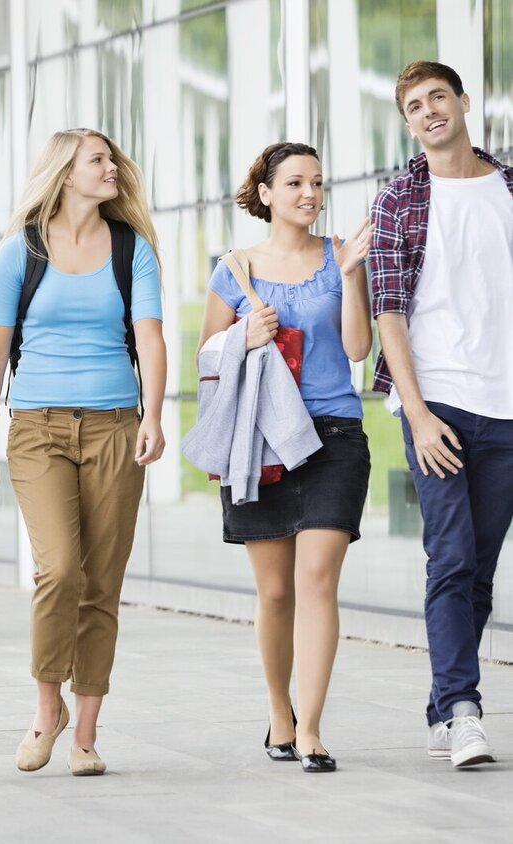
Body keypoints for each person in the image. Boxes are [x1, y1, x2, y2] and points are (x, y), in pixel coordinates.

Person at [0, 128, 167, 776]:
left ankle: (85, 735)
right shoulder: (20, 251)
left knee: (101, 583)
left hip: (114, 425)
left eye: (111, 159)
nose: (112, 167)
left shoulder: (131, 249)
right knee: (58, 570)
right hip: (37, 427)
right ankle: (46, 706)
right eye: (98, 160)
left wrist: (155, 414)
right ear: (65, 173)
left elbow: (152, 337)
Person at [196, 142, 372, 772]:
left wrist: (352, 276)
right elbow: (208, 359)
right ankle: (279, 711)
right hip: (260, 438)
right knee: (274, 593)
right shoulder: (234, 268)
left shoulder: (339, 258)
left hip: (333, 436)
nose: (310, 193)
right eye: (295, 182)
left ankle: (313, 729)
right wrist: (245, 334)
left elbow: (356, 350)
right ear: (265, 193)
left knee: (317, 579)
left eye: (318, 183)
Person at [370, 60, 513, 769]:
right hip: (439, 400)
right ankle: (462, 710)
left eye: (437, 98)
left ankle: (440, 704)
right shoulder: (398, 198)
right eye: (413, 106)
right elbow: (388, 312)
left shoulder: (510, 187)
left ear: (462, 101)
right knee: (451, 555)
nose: (428, 112)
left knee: (480, 568)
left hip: (506, 403)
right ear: (407, 123)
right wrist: (418, 413)